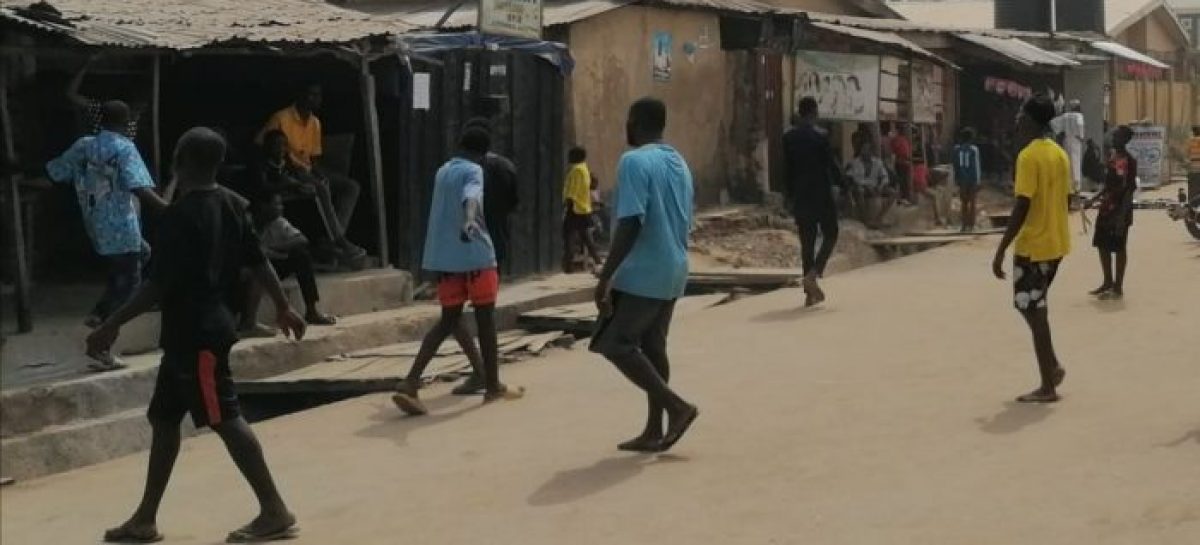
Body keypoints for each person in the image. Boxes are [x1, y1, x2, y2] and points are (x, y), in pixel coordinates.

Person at [86, 127, 303, 543]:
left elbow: (157, 285)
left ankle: (274, 508)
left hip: (196, 334)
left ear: (178, 161)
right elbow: (260, 263)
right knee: (164, 418)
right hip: (198, 332)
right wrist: (283, 306)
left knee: (226, 417)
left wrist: (111, 323)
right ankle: (145, 519)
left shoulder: (179, 217)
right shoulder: (234, 204)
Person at [591, 97, 699, 453]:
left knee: (615, 343)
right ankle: (654, 428)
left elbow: (631, 221)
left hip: (644, 270)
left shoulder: (633, 161)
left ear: (634, 122)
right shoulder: (678, 161)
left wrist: (606, 276)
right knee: (653, 347)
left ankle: (676, 407)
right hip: (675, 266)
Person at [392, 127, 524, 415]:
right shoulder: (475, 171)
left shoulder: (442, 171)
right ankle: (492, 386)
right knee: (486, 321)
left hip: (445, 260)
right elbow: (472, 197)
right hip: (476, 256)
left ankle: (410, 382)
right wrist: (468, 222)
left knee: (447, 320)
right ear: (484, 153)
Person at [46, 100, 169, 370]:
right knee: (128, 288)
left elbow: (56, 172)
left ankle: (100, 311)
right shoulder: (125, 148)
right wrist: (168, 210)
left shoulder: (84, 145)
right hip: (122, 226)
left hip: (96, 225)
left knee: (142, 255)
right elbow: (139, 188)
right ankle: (101, 344)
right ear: (126, 123)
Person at [991, 94, 1071, 404]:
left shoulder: (1028, 156)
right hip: (1056, 243)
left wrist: (1001, 249)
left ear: (1029, 121)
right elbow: (1066, 199)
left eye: (1020, 118)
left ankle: (1048, 381)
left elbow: (1022, 203)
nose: (1016, 123)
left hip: (1034, 244)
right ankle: (1051, 366)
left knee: (1034, 310)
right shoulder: (1059, 154)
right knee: (1030, 305)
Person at [448, 117, 518, 397]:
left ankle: (481, 373)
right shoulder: (504, 167)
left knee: (451, 316)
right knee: (484, 316)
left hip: (458, 248)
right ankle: (488, 379)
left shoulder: (457, 170)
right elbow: (514, 203)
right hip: (492, 246)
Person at [257, 83, 365, 262]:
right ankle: (338, 239)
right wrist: (285, 167)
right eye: (310, 94)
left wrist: (319, 172)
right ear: (299, 95)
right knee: (320, 188)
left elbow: (313, 158)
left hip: (306, 169)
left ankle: (333, 239)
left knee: (350, 186)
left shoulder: (315, 122)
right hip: (288, 170)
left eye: (318, 95)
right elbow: (261, 145)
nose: (314, 99)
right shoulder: (281, 117)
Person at [240, 191, 338, 334]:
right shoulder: (246, 221)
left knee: (301, 256)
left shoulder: (277, 222)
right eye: (277, 204)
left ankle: (311, 310)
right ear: (263, 206)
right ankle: (249, 322)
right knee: (258, 268)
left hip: (269, 264)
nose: (281, 208)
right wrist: (261, 252)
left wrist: (272, 249)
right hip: (244, 268)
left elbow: (301, 240)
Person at [782, 97, 843, 307]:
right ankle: (814, 273)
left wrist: (788, 196)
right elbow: (831, 166)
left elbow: (786, 171)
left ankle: (809, 294)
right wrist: (845, 185)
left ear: (800, 113)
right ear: (814, 112)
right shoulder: (821, 136)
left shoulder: (788, 138)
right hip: (821, 195)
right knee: (831, 233)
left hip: (800, 196)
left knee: (806, 243)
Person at [1085, 125, 1137, 299]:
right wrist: (1093, 199)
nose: (1113, 138)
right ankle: (1107, 281)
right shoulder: (1113, 158)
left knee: (1120, 246)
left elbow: (1129, 190)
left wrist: (1122, 217)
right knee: (1101, 243)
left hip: (1120, 210)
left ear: (1125, 139)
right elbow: (1108, 185)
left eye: (1117, 136)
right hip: (1107, 208)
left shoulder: (1130, 161)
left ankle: (1118, 286)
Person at [562, 146, 602, 273]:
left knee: (568, 236)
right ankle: (597, 261)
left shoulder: (576, 171)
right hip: (583, 208)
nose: (568, 158)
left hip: (575, 208)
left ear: (576, 157)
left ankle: (568, 266)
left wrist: (567, 207)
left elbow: (573, 190)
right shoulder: (584, 169)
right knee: (585, 237)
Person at [844, 139, 894, 228]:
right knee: (859, 191)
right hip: (861, 186)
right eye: (863, 149)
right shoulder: (855, 162)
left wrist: (880, 186)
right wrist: (866, 186)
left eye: (867, 149)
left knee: (893, 193)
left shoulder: (878, 162)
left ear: (871, 151)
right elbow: (853, 178)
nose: (865, 151)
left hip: (875, 186)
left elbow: (884, 176)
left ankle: (878, 218)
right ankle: (866, 220)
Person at [1051, 99, 1086, 195]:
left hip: (1066, 140)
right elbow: (1080, 125)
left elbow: (1054, 124)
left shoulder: (1065, 116)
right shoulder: (1079, 116)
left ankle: (1068, 187)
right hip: (1076, 140)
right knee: (1076, 162)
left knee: (1067, 163)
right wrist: (1081, 136)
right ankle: (1077, 187)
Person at [954, 128, 983, 232]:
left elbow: (956, 166)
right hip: (972, 179)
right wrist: (978, 181)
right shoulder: (974, 149)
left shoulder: (957, 149)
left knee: (964, 203)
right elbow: (976, 166)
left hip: (962, 179)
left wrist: (956, 179)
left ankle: (963, 225)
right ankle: (972, 225)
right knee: (973, 202)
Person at [890, 122, 914, 203]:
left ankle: (904, 198)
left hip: (901, 163)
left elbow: (893, 150)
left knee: (902, 181)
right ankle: (904, 198)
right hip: (904, 162)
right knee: (903, 182)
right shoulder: (904, 140)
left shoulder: (897, 139)